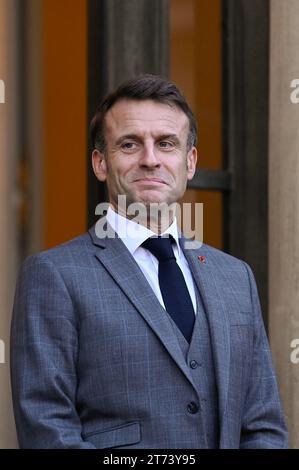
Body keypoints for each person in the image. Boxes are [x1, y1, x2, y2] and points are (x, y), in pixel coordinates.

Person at [10, 74, 288, 449]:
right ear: (100, 163)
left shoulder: (235, 277)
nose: (150, 159)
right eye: (129, 144)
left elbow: (263, 427)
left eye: (166, 143)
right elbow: (48, 428)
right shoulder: (54, 275)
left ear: (189, 162)